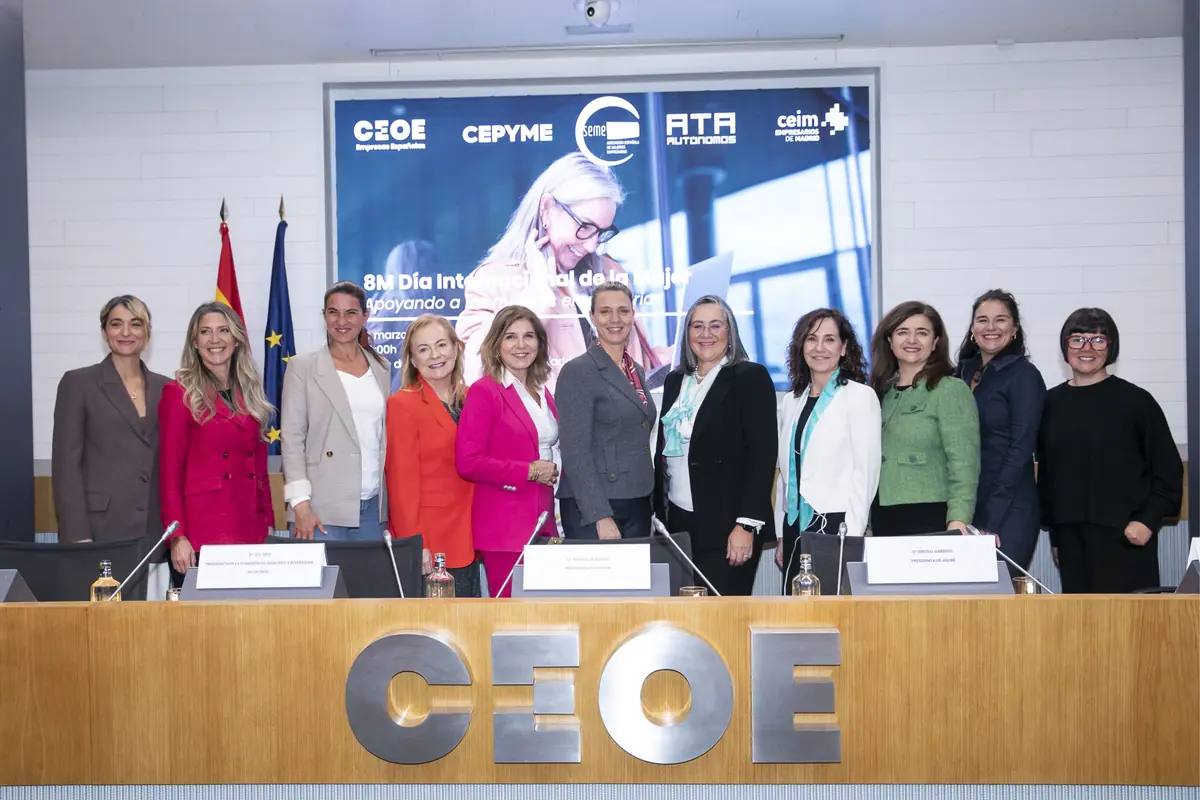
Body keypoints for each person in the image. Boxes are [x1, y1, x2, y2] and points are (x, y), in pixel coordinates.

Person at [455, 152, 662, 393]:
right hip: (554, 430)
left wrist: (663, 359)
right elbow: (473, 373)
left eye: (601, 232)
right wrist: (535, 301)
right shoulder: (494, 280)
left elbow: (633, 368)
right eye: (585, 227)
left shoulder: (609, 273)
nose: (591, 245)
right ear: (546, 209)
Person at [1037, 308, 1182, 593]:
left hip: (1127, 537)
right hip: (1071, 541)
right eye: (1077, 339)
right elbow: (1052, 476)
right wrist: (1056, 538)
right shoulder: (1049, 404)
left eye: (1098, 340)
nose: (1087, 348)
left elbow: (1169, 471)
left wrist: (1147, 521)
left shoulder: (1137, 402)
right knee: (1082, 631)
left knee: (1131, 632)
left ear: (1111, 347)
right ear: (1065, 347)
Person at [654, 295, 776, 596]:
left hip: (728, 526)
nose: (705, 334)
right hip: (678, 525)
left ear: (729, 331)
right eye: (697, 326)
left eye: (715, 325)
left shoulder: (750, 377)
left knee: (724, 622)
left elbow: (762, 457)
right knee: (684, 625)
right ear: (687, 334)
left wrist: (746, 526)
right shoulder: (674, 380)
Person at [158, 302, 274, 586]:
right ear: (194, 343)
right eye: (205, 332)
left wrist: (268, 523)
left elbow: (259, 469)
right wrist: (177, 536)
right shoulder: (178, 392)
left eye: (223, 331)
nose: (214, 340)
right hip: (203, 530)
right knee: (202, 627)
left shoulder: (250, 391)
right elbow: (169, 471)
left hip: (249, 527)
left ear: (236, 340)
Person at [456, 305, 560, 598]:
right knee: (515, 622)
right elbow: (468, 462)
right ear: (496, 345)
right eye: (511, 337)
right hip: (507, 529)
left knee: (543, 619)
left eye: (529, 336)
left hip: (544, 523)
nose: (521, 345)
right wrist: (528, 471)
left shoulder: (541, 391)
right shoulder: (485, 391)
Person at [774, 308, 880, 589]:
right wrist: (782, 534)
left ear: (844, 348)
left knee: (833, 616)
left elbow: (865, 474)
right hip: (795, 525)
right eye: (811, 339)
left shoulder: (860, 397)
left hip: (836, 525)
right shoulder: (791, 401)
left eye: (830, 339)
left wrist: (853, 539)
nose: (820, 348)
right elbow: (786, 474)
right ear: (801, 346)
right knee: (796, 617)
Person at [52, 295, 170, 543]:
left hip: (156, 532)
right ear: (104, 332)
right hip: (99, 531)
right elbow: (66, 467)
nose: (126, 331)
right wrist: (77, 535)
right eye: (116, 324)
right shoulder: (78, 383)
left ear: (147, 333)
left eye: (136, 323)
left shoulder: (168, 388)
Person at [281, 282, 391, 541]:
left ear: (365, 316)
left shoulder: (381, 366)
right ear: (324, 315)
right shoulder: (303, 367)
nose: (342, 321)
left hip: (372, 511)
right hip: (320, 510)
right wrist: (300, 504)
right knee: (323, 583)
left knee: (369, 583)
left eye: (351, 313)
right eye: (334, 312)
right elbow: (292, 438)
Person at [386, 314, 479, 597]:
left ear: (456, 348)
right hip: (434, 540)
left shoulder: (472, 397)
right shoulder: (403, 404)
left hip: (474, 534)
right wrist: (416, 544)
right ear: (413, 360)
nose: (435, 355)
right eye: (423, 349)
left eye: (441, 345)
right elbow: (402, 483)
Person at [555, 282, 657, 540]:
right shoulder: (577, 371)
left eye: (623, 311)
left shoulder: (636, 371)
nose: (615, 319)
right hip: (597, 508)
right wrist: (600, 515)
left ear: (633, 315)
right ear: (592, 317)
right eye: (605, 311)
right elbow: (575, 452)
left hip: (636, 499)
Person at [868, 301, 980, 537]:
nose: (912, 340)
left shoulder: (950, 389)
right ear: (889, 340)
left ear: (935, 342)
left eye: (922, 333)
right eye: (902, 332)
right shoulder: (878, 394)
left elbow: (964, 465)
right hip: (883, 516)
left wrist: (958, 521)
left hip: (932, 517)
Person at [954, 290, 1046, 572]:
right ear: (972, 329)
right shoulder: (960, 373)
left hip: (1008, 507)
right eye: (982, 320)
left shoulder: (1024, 375)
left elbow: (1020, 451)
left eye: (1000, 320)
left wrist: (990, 521)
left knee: (1000, 603)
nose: (991, 328)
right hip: (965, 502)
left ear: (1015, 329)